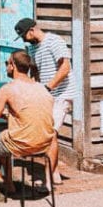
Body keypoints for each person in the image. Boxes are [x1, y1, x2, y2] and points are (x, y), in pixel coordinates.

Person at [0, 49, 55, 197]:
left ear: (13, 65)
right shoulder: (42, 88)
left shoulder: (7, 89)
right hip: (44, 144)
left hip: (20, 145)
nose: (6, 66)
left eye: (7, 63)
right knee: (5, 132)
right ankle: (9, 184)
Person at [14, 16, 78, 184]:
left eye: (24, 35)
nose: (23, 39)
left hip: (62, 93)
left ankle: (52, 174)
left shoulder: (54, 41)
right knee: (47, 132)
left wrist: (48, 87)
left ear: (32, 30)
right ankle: (53, 172)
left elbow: (65, 67)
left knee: (50, 133)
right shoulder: (32, 48)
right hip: (47, 95)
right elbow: (35, 72)